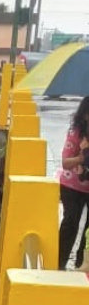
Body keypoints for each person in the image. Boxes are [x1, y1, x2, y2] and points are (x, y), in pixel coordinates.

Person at [58, 96, 89, 270]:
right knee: (71, 221)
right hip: (72, 186)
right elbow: (65, 163)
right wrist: (82, 156)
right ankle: (59, 263)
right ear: (85, 115)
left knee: (88, 229)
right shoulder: (75, 133)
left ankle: (82, 262)